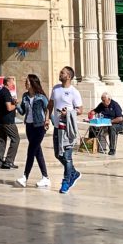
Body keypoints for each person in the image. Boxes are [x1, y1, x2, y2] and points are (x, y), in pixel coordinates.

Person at [48, 66, 82, 194]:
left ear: (68, 76)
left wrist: (68, 112)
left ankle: (66, 182)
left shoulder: (74, 92)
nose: (60, 73)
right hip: (57, 127)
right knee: (58, 154)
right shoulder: (56, 88)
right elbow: (50, 105)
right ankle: (74, 172)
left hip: (68, 128)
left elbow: (80, 110)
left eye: (62, 72)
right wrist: (47, 119)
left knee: (67, 157)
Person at [15, 74, 50, 188]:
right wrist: (16, 105)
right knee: (37, 152)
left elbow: (48, 109)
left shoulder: (41, 97)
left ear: (32, 83)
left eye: (27, 82)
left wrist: (50, 122)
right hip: (29, 126)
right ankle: (45, 177)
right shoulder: (25, 96)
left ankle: (25, 177)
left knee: (31, 151)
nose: (25, 83)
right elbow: (22, 112)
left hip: (39, 127)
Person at [0, 77, 20, 169]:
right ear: (7, 83)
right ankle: (9, 161)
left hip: (1, 120)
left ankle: (0, 162)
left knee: (2, 141)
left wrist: (12, 101)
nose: (13, 84)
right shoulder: (5, 93)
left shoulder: (1, 92)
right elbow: (9, 108)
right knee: (16, 139)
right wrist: (16, 104)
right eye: (12, 82)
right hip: (8, 121)